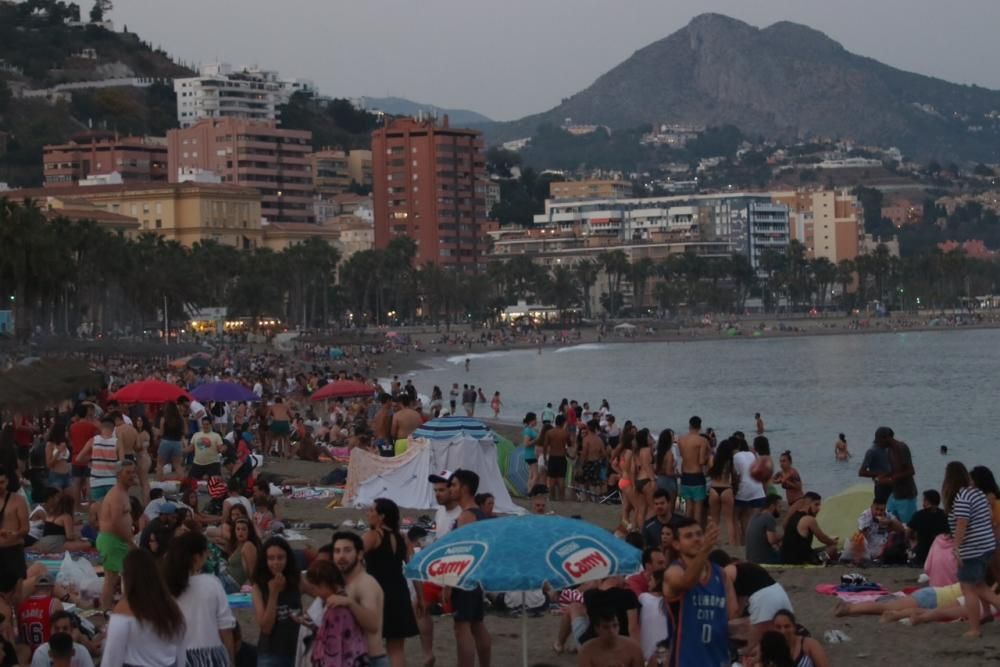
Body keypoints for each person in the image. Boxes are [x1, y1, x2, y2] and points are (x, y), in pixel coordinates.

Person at [662, 517, 736, 667]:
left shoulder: (721, 574)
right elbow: (687, 581)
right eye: (689, 536)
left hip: (718, 659)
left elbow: (732, 615)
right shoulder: (674, 572)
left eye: (699, 534)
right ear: (676, 544)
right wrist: (705, 550)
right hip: (685, 661)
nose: (696, 539)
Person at [942, 460, 1000, 638]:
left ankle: (974, 628)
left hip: (972, 549)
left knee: (969, 588)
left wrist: (957, 548)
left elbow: (962, 524)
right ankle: (987, 614)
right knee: (979, 584)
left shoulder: (961, 497)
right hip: (986, 546)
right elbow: (989, 517)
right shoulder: (978, 494)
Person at [101, 549, 186, 667]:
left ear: (127, 577)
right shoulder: (171, 606)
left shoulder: (124, 610)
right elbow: (181, 651)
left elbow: (111, 659)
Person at [165, 531, 236, 666]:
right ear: (197, 557)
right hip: (211, 658)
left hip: (178, 658)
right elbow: (225, 628)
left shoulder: (167, 586)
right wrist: (231, 661)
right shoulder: (212, 583)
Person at [363, 499, 418, 667]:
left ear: (382, 516)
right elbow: (413, 569)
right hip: (399, 591)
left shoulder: (372, 536)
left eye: (372, 511)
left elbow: (352, 560)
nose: (368, 514)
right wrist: (420, 597)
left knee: (370, 644)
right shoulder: (402, 538)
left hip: (376, 593)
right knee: (396, 648)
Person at [449, 469, 492, 667]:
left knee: (462, 627)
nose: (451, 488)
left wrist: (449, 582)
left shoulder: (466, 516)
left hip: (465, 578)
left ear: (464, 488)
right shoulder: (481, 514)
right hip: (477, 576)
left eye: (454, 485)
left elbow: (462, 553)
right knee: (477, 624)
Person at [710, 551, 793, 651]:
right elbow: (739, 610)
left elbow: (734, 611)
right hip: (779, 593)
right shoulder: (742, 568)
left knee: (752, 646)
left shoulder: (725, 573)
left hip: (763, 599)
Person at [331, 531, 388, 667]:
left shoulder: (366, 583)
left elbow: (373, 625)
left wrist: (350, 603)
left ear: (360, 554)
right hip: (355, 659)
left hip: (371, 660)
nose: (341, 556)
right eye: (337, 551)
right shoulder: (347, 583)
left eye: (347, 551)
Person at [304, 559, 370, 667]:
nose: (314, 593)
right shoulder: (349, 599)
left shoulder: (335, 610)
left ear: (323, 584)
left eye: (314, 588)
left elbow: (332, 651)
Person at [252, 536, 303, 666]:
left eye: (280, 557)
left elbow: (320, 592)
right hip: (271, 654)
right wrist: (274, 593)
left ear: (287, 558)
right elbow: (266, 628)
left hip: (297, 651)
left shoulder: (297, 580)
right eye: (271, 558)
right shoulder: (258, 587)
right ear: (265, 560)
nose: (276, 563)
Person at [96, 461, 136, 610]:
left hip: (117, 539)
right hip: (112, 540)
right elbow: (116, 522)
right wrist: (129, 541)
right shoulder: (117, 494)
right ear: (119, 475)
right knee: (111, 578)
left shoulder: (123, 492)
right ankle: (106, 610)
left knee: (123, 576)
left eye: (133, 472)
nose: (132, 475)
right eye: (128, 473)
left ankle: (121, 607)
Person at [780, 492, 839, 565]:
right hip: (801, 560)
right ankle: (820, 562)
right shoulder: (809, 519)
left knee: (824, 549)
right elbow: (822, 538)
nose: (818, 509)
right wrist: (833, 542)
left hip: (787, 558)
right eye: (816, 505)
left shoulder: (794, 515)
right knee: (832, 548)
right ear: (808, 504)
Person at [875, 427, 918, 523]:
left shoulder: (902, 448)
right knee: (888, 523)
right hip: (895, 494)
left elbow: (911, 471)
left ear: (886, 438)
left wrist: (890, 480)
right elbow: (893, 470)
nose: (878, 444)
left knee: (908, 526)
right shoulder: (889, 450)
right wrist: (882, 476)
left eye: (879, 441)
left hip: (906, 495)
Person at [844, 498, 905, 565]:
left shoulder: (887, 515)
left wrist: (890, 522)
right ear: (872, 507)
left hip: (883, 544)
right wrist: (871, 524)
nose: (878, 512)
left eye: (881, 510)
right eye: (876, 509)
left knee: (896, 535)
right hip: (869, 548)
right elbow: (863, 536)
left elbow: (902, 529)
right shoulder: (865, 516)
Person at [576, 607, 644, 667]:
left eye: (615, 625)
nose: (611, 631)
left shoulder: (633, 648)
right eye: (606, 627)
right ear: (596, 629)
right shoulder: (586, 651)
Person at [0, 466, 28, 596]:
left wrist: (15, 534)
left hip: (13, 550)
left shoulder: (18, 501)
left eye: (2, 482)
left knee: (16, 595)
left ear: (7, 482)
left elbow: (25, 528)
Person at [76, 416, 118, 503]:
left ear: (101, 427)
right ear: (113, 429)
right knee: (111, 509)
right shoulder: (117, 442)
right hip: (112, 481)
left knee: (97, 510)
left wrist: (93, 458)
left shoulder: (93, 440)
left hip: (96, 482)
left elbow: (79, 458)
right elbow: (122, 463)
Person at [17, 575, 62, 655]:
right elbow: (62, 632)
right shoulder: (54, 603)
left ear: (35, 588)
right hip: (48, 654)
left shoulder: (22, 606)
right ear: (51, 588)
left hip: (28, 654)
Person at [677, 417, 709, 524]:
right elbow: (701, 461)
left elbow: (682, 456)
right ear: (700, 427)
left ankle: (685, 531)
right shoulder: (702, 440)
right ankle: (697, 533)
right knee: (697, 510)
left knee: (686, 509)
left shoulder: (681, 440)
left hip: (685, 476)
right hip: (697, 476)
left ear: (689, 425)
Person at [733, 439, 766, 542]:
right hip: (757, 488)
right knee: (755, 517)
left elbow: (735, 475)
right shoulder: (752, 455)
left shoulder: (736, 456)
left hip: (745, 488)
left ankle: (742, 540)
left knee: (735, 515)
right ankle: (755, 539)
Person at [907, 489, 950, 567]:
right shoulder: (945, 515)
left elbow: (908, 533)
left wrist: (913, 540)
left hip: (922, 555)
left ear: (927, 501)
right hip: (940, 553)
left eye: (924, 500)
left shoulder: (919, 515)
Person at [706, 438, 738, 545]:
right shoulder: (730, 461)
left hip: (714, 489)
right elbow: (734, 476)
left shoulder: (712, 459)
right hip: (726, 489)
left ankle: (713, 543)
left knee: (715, 520)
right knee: (729, 521)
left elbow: (709, 472)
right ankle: (732, 543)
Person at [745, 494, 783, 565]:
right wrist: (782, 537)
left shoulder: (754, 516)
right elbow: (772, 541)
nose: (781, 509)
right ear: (772, 506)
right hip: (763, 560)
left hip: (750, 558)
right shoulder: (769, 517)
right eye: (779, 506)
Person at [858, 427, 893, 505]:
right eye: (888, 439)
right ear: (881, 438)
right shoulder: (872, 451)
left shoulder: (887, 449)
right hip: (881, 487)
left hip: (891, 485)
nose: (890, 441)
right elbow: (861, 472)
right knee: (882, 509)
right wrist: (879, 474)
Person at [542, 415, 570, 502]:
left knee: (552, 479)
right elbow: (570, 444)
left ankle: (552, 497)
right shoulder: (565, 433)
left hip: (552, 457)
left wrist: (545, 458)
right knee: (561, 478)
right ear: (563, 423)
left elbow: (545, 446)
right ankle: (562, 497)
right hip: (561, 457)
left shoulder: (549, 432)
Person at [227, 517, 260, 588]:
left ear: (249, 531)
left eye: (244, 529)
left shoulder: (248, 545)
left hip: (231, 583)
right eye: (238, 529)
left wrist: (253, 589)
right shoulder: (237, 545)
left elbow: (252, 572)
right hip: (226, 578)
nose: (240, 532)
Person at [157, 402, 186, 478]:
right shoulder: (181, 419)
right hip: (177, 443)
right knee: (177, 465)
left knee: (160, 464)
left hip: (166, 442)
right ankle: (183, 483)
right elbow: (185, 431)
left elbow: (161, 433)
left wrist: (156, 431)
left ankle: (159, 483)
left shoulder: (164, 419)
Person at [44, 420, 72, 492]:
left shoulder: (64, 443)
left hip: (68, 475)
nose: (67, 432)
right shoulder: (50, 444)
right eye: (65, 430)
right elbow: (49, 464)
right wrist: (58, 452)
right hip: (56, 476)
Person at [521, 413, 540, 491]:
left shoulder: (530, 429)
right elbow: (526, 444)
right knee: (536, 475)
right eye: (535, 419)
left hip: (531, 455)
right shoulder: (528, 430)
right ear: (531, 420)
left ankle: (529, 490)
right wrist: (536, 440)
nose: (537, 421)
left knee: (531, 475)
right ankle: (530, 491)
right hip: (531, 455)